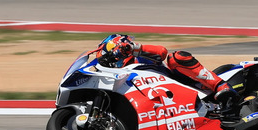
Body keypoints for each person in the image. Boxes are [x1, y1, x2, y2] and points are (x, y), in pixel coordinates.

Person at [97, 34, 238, 105]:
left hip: (185, 85)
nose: (110, 59)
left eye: (108, 54)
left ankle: (221, 86)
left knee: (175, 57)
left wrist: (133, 49)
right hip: (165, 104)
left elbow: (162, 52)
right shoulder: (121, 78)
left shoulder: (138, 57)